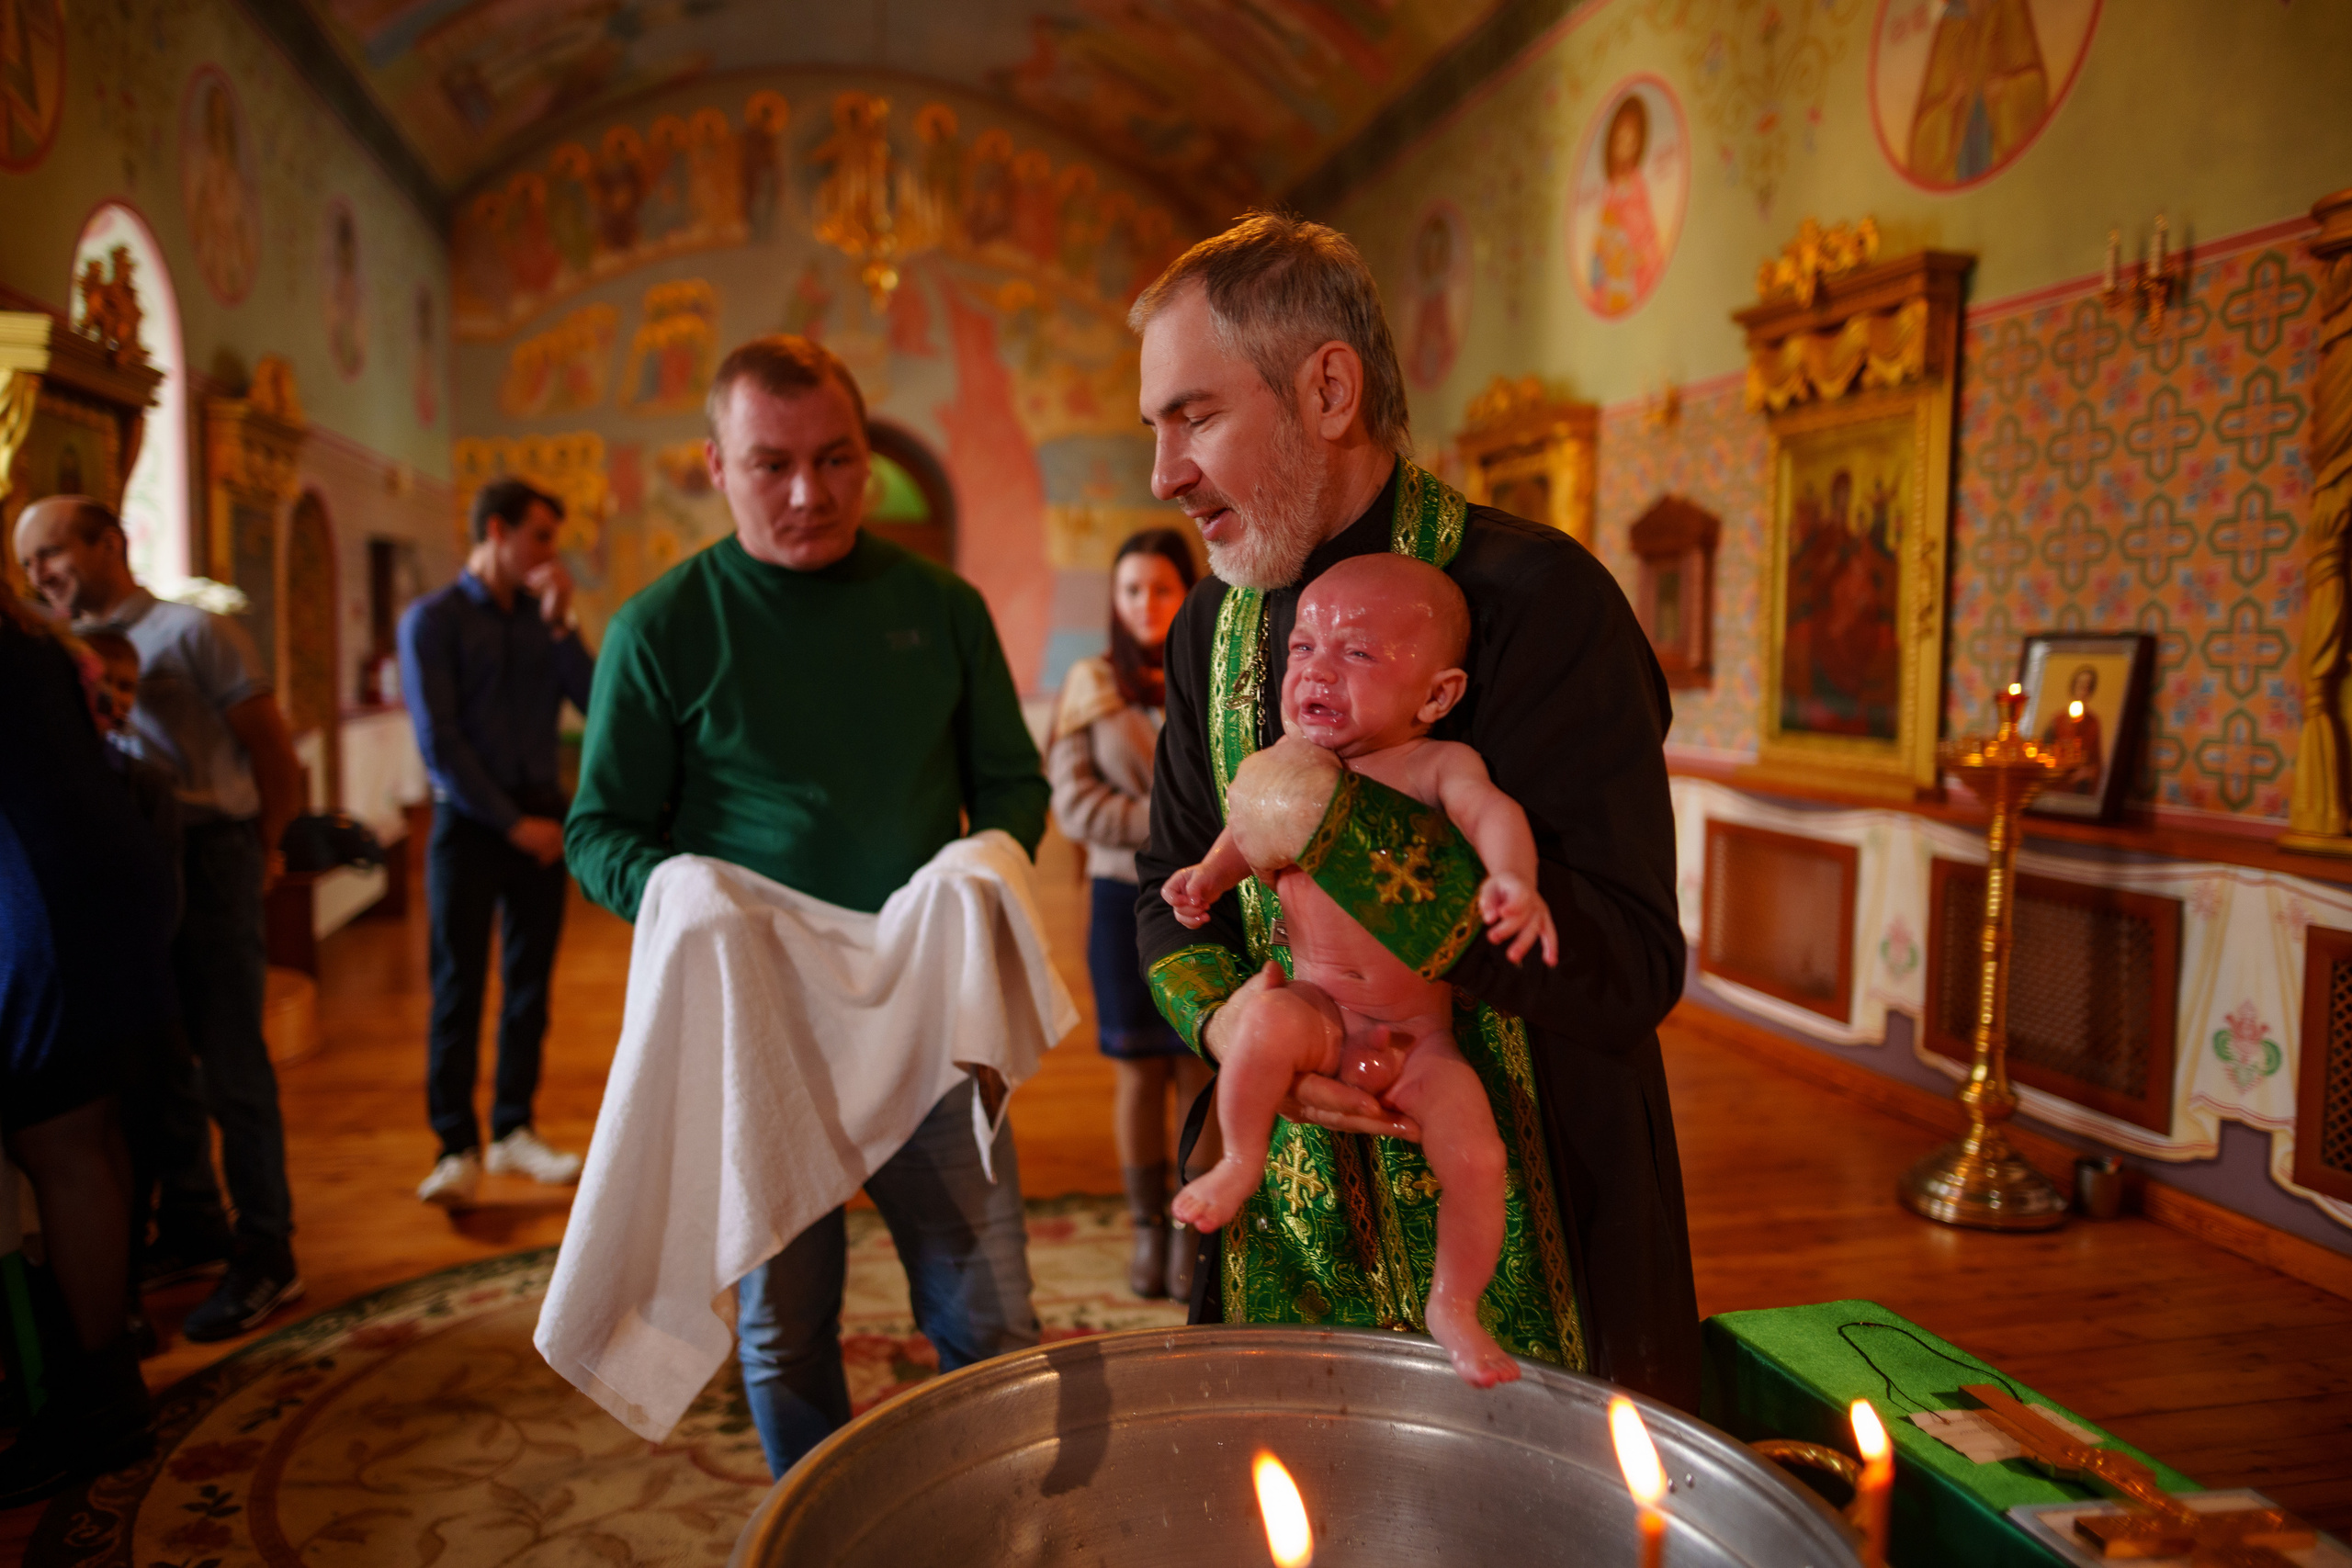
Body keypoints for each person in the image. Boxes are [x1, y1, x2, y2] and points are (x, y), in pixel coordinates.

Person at [1130, 212, 1702, 1409]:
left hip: (1529, 1230)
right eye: (1158, 427)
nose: (1164, 472)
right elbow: (1165, 898)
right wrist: (1228, 1027)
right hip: (1282, 1219)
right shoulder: (1210, 625)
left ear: (1327, 387)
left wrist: (1345, 827)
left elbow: (1631, 965)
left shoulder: (1543, 604)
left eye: (1196, 416)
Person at [566, 333, 1050, 1475]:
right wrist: (676, 889)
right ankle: (816, 1536)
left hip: (925, 1009)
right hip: (760, 1025)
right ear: (714, 464)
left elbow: (1014, 781)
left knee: (989, 1318)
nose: (809, 493)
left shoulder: (940, 606)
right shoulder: (662, 627)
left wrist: (985, 860)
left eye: (838, 461)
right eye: (771, 464)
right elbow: (599, 833)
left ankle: (999, 1530)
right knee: (787, 1332)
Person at [1162, 554, 1559, 1385]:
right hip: (1319, 1007)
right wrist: (1206, 877)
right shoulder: (1282, 763)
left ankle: (1454, 1301)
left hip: (1421, 1037)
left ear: (1438, 695)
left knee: (1479, 1159)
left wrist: (1513, 879)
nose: (1316, 670)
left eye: (1357, 654)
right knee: (1262, 1023)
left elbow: (1494, 812)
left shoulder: (1432, 766)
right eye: (1304, 648)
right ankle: (1238, 1158)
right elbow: (1246, 828)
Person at [15, 496, 307, 1344]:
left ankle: (267, 1247)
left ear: (111, 541)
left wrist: (268, 852)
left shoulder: (194, 632)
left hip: (213, 851)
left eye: (54, 552)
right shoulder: (50, 645)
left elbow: (272, 750)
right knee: (154, 1065)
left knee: (230, 1059)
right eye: (29, 563)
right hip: (129, 860)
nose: (41, 575)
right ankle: (192, 1225)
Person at [0, 595, 177, 1503]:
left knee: (60, 1140)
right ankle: (105, 1373)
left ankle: (96, 1400)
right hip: (102, 880)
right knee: (95, 1133)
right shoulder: (29, 638)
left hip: (47, 894)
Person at [399, 479, 595, 1206]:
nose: (550, 553)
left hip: (542, 819)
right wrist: (512, 823)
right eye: (540, 536)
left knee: (529, 988)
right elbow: (439, 740)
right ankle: (456, 1145)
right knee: (458, 987)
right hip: (471, 823)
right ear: (497, 531)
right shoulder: (434, 620)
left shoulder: (540, 622)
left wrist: (561, 622)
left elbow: (599, 697)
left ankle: (514, 1130)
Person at [1046, 527, 1219, 1302]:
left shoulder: (1214, 669)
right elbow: (1075, 801)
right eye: (1130, 590)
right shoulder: (1089, 682)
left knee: (1198, 1062)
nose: (1144, 604)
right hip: (1123, 894)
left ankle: (1193, 1228)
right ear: (1113, 602)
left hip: (1210, 892)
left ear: (1187, 591)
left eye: (1160, 588)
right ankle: (1147, 1229)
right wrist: (1171, 826)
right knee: (1136, 1067)